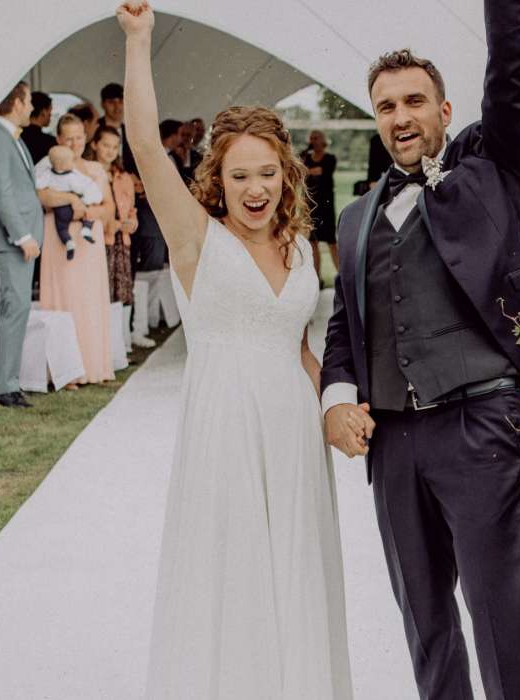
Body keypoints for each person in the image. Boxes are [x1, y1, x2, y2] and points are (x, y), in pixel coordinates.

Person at [117, 4, 352, 699]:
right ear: (217, 179)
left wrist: (336, 410)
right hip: (225, 430)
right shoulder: (196, 239)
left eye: (268, 174)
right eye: (241, 175)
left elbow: (300, 347)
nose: (256, 189)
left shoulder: (298, 248)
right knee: (234, 576)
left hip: (293, 438)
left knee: (294, 572)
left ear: (287, 175)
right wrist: (139, 40)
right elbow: (144, 144)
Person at [320, 1, 520, 697]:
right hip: (392, 439)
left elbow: (510, 79)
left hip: (478, 422)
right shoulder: (354, 217)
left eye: (414, 101)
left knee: (500, 614)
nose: (401, 117)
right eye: (386, 106)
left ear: (445, 110)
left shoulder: (490, 171)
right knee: (425, 621)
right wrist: (335, 399)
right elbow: (344, 325)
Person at [0, 82, 44, 408]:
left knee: (13, 308)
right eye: (28, 101)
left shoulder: (7, 137)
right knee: (16, 308)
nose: (31, 107)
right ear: (16, 103)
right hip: (11, 239)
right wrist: (23, 236)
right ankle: (6, 387)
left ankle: (4, 382)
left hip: (17, 238)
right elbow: (1, 192)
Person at [37, 113, 116, 385]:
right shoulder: (47, 166)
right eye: (69, 139)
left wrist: (89, 212)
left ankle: (91, 367)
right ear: (58, 139)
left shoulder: (95, 169)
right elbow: (43, 197)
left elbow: (109, 208)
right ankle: (64, 371)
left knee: (88, 300)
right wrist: (72, 200)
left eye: (79, 138)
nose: (74, 144)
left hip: (88, 241)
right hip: (59, 238)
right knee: (63, 299)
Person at [90, 125, 140, 350]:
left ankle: (121, 343)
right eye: (105, 145)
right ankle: (104, 345)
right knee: (103, 291)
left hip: (122, 241)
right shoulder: (89, 173)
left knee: (123, 291)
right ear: (95, 145)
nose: (110, 151)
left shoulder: (123, 176)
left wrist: (132, 222)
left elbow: (131, 208)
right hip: (99, 240)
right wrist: (114, 224)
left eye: (114, 146)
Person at [35, 144, 102, 259]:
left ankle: (68, 242)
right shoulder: (72, 176)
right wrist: (85, 198)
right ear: (63, 165)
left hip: (60, 209)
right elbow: (79, 188)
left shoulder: (48, 174)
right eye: (72, 161)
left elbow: (38, 184)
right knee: (88, 215)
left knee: (61, 228)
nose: (73, 163)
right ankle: (86, 229)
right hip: (74, 207)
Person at [302, 130, 338, 278]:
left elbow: (319, 171)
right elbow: (300, 171)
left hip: (326, 205)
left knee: (331, 241)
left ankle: (342, 277)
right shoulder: (305, 157)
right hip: (310, 204)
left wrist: (307, 171)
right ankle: (317, 278)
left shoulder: (330, 158)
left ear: (323, 140)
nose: (313, 141)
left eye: (316, 138)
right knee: (312, 242)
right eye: (311, 138)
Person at [100, 82, 137, 173]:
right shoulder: (94, 128)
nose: (117, 107)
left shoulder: (131, 132)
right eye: (111, 102)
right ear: (102, 104)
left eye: (121, 101)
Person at [21, 91, 57, 163]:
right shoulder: (50, 142)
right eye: (50, 112)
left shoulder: (18, 136)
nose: (51, 115)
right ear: (44, 112)